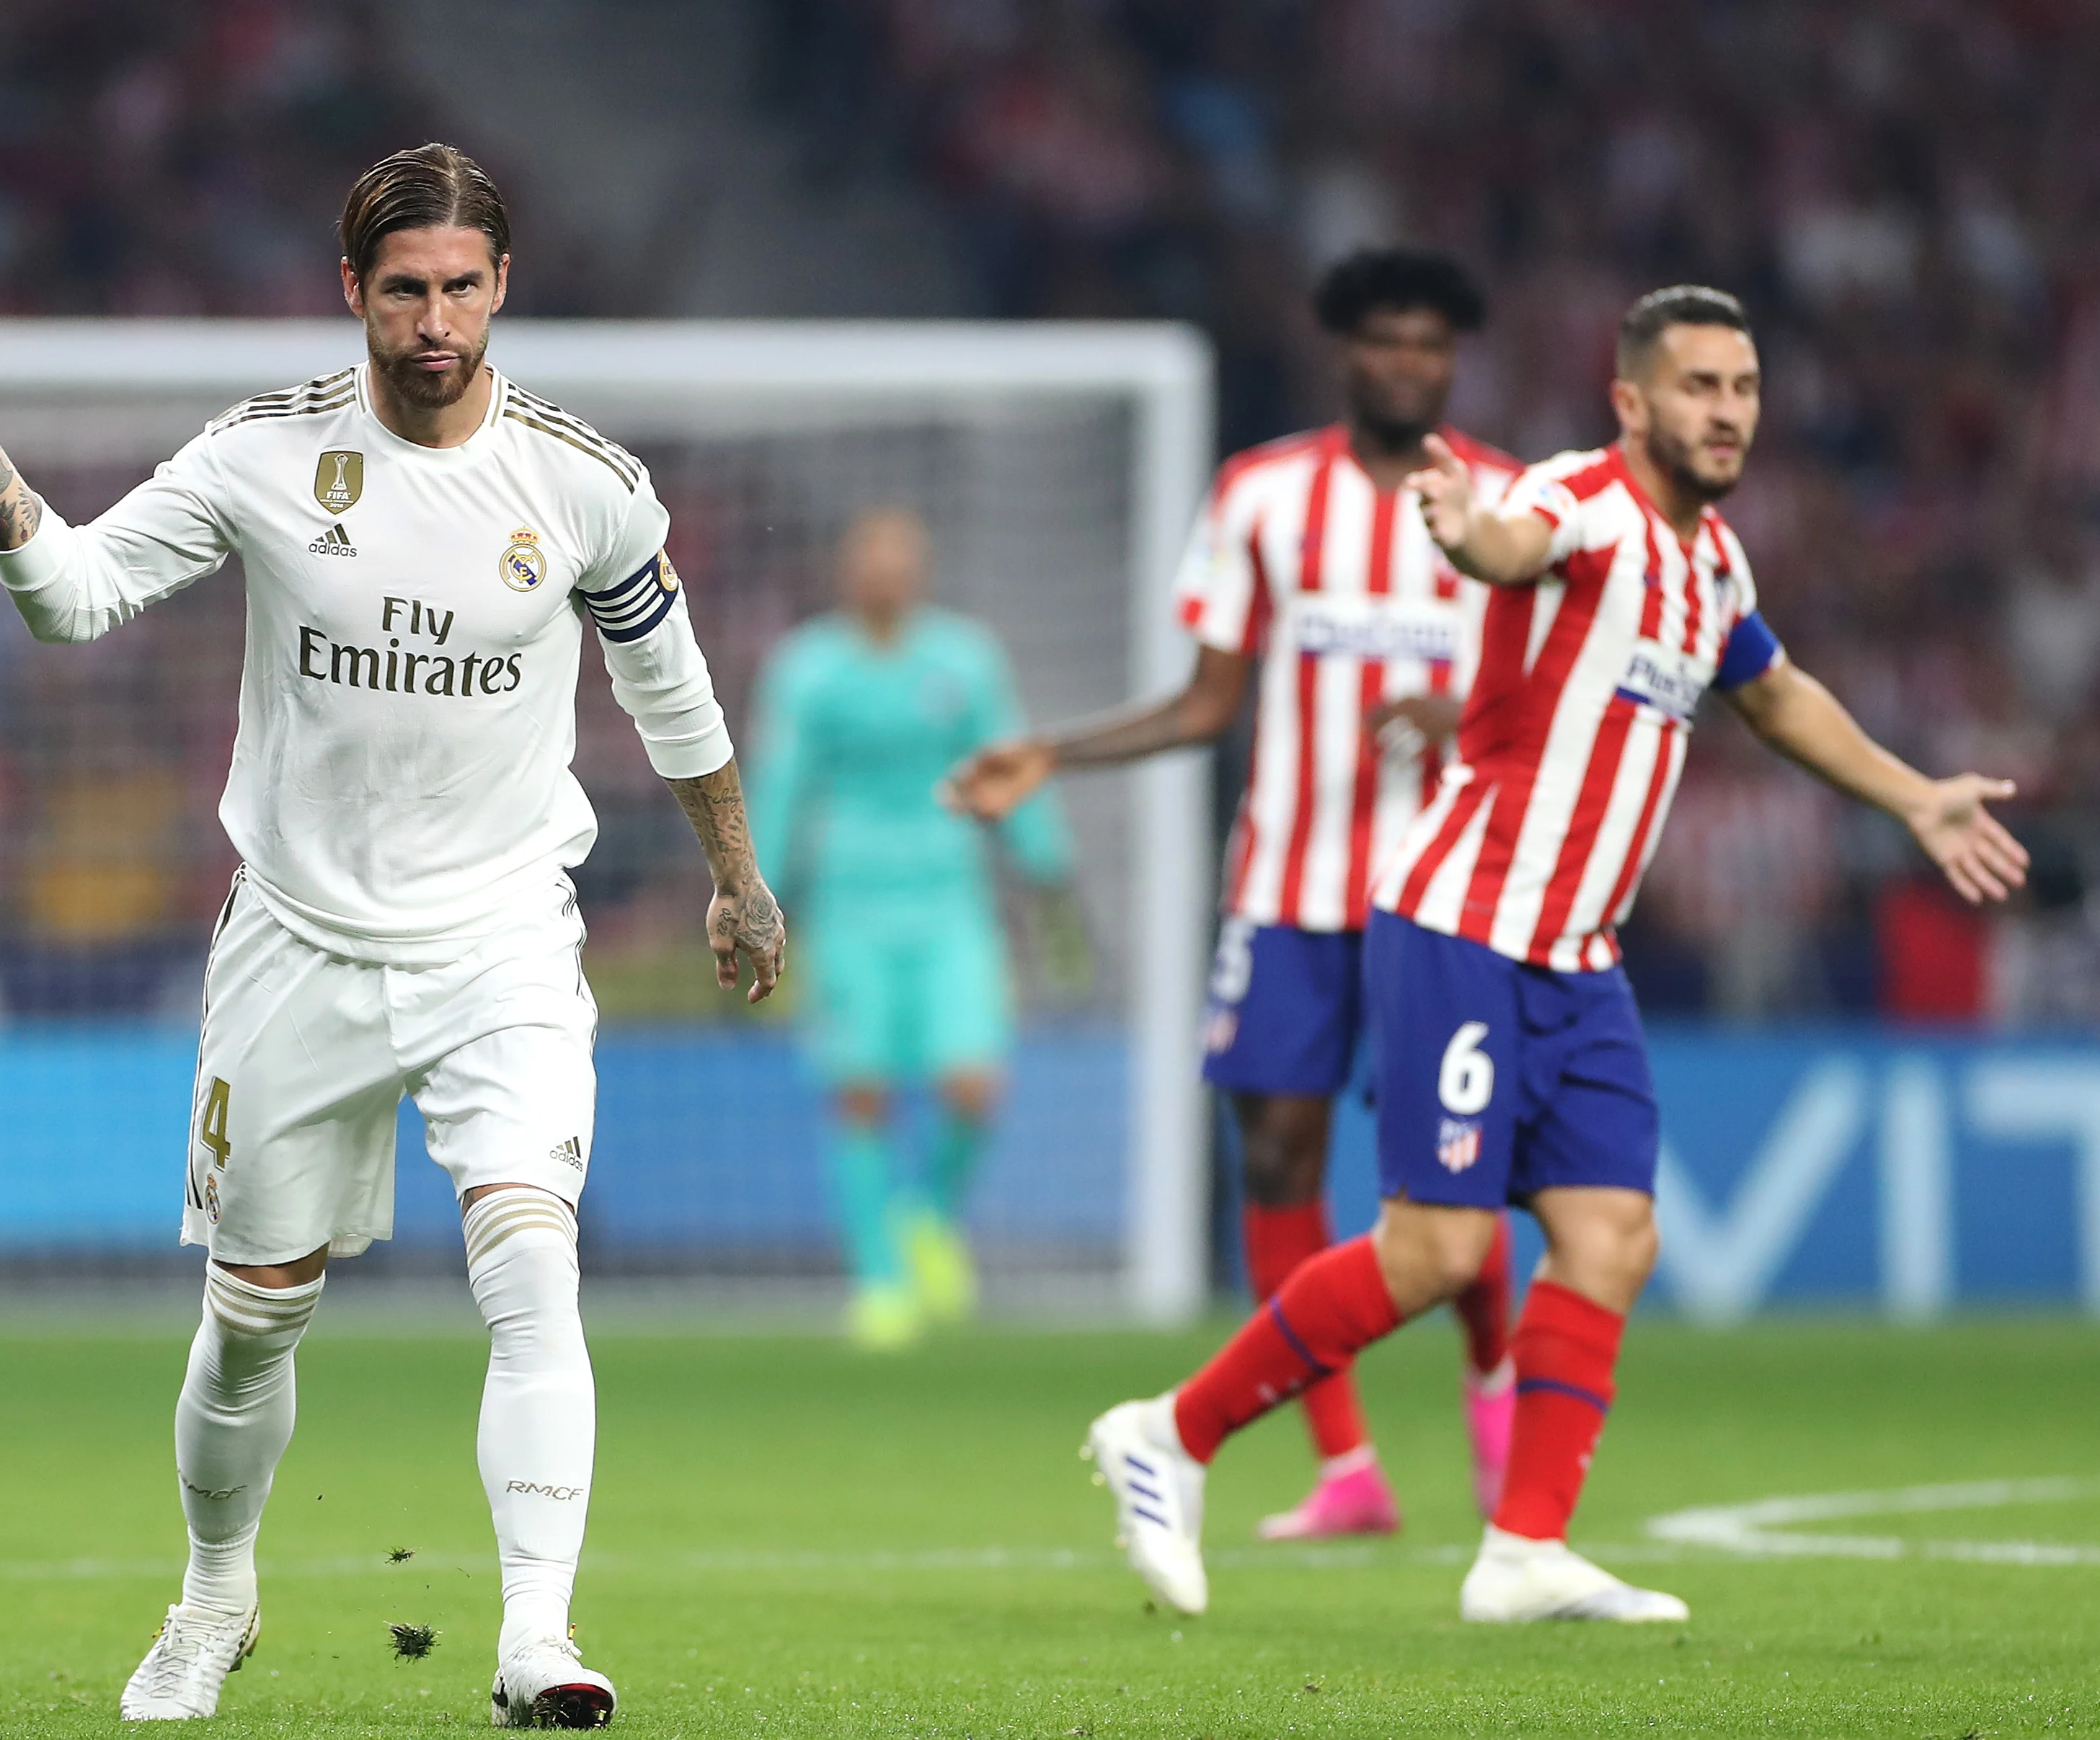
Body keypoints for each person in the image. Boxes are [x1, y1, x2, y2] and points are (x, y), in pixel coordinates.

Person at [0, 143, 781, 1730]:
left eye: (462, 287)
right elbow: (70, 599)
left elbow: (668, 686)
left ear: (502, 287)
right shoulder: (262, 458)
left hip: (501, 939)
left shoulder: (583, 480)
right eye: (404, 290)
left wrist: (735, 874)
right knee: (253, 1318)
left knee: (533, 1262)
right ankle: (214, 1594)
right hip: (299, 942)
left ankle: (537, 1635)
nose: (434, 322)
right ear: (353, 291)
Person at [1070, 286, 2026, 1623]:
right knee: (1438, 1246)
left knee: (1612, 1233)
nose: (1727, 411)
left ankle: (1523, 1547)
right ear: (1631, 401)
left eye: (1743, 388)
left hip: (1575, 956)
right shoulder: (1582, 498)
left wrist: (1913, 791)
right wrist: (1469, 532)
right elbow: (1515, 544)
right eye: (1698, 386)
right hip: (1460, 922)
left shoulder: (1714, 568)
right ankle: (1167, 1433)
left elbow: (1775, 691)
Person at [955, 247, 1523, 1536]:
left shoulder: (1503, 501)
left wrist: (1467, 707)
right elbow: (1210, 700)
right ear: (1346, 351)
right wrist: (1054, 747)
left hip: (1449, 898)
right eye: (1385, 338)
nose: (1407, 362)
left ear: (1452, 358)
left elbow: (1547, 693)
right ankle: (1346, 1470)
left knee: (1453, 1170)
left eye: (1430, 342)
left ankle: (1495, 1412)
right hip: (1286, 888)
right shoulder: (1263, 494)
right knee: (1274, 1157)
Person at [749, 508, 1081, 1349]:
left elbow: (1009, 765)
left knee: (973, 1080)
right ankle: (880, 1281)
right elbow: (783, 783)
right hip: (852, 898)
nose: (886, 575)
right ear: (844, 571)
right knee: (858, 1090)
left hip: (948, 897)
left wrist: (1046, 868)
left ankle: (926, 1215)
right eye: (871, 561)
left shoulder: (963, 660)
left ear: (923, 570)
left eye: (901, 561)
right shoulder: (809, 668)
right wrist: (756, 891)